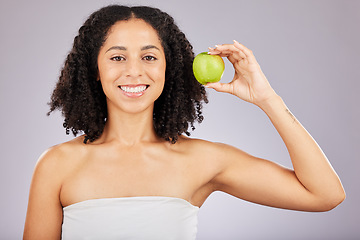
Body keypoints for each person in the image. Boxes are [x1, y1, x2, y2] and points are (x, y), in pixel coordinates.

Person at [23, 4, 345, 240]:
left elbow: (324, 194)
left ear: (168, 69)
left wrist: (267, 98)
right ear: (94, 69)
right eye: (117, 57)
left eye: (149, 57)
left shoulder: (202, 160)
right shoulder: (56, 164)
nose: (134, 71)